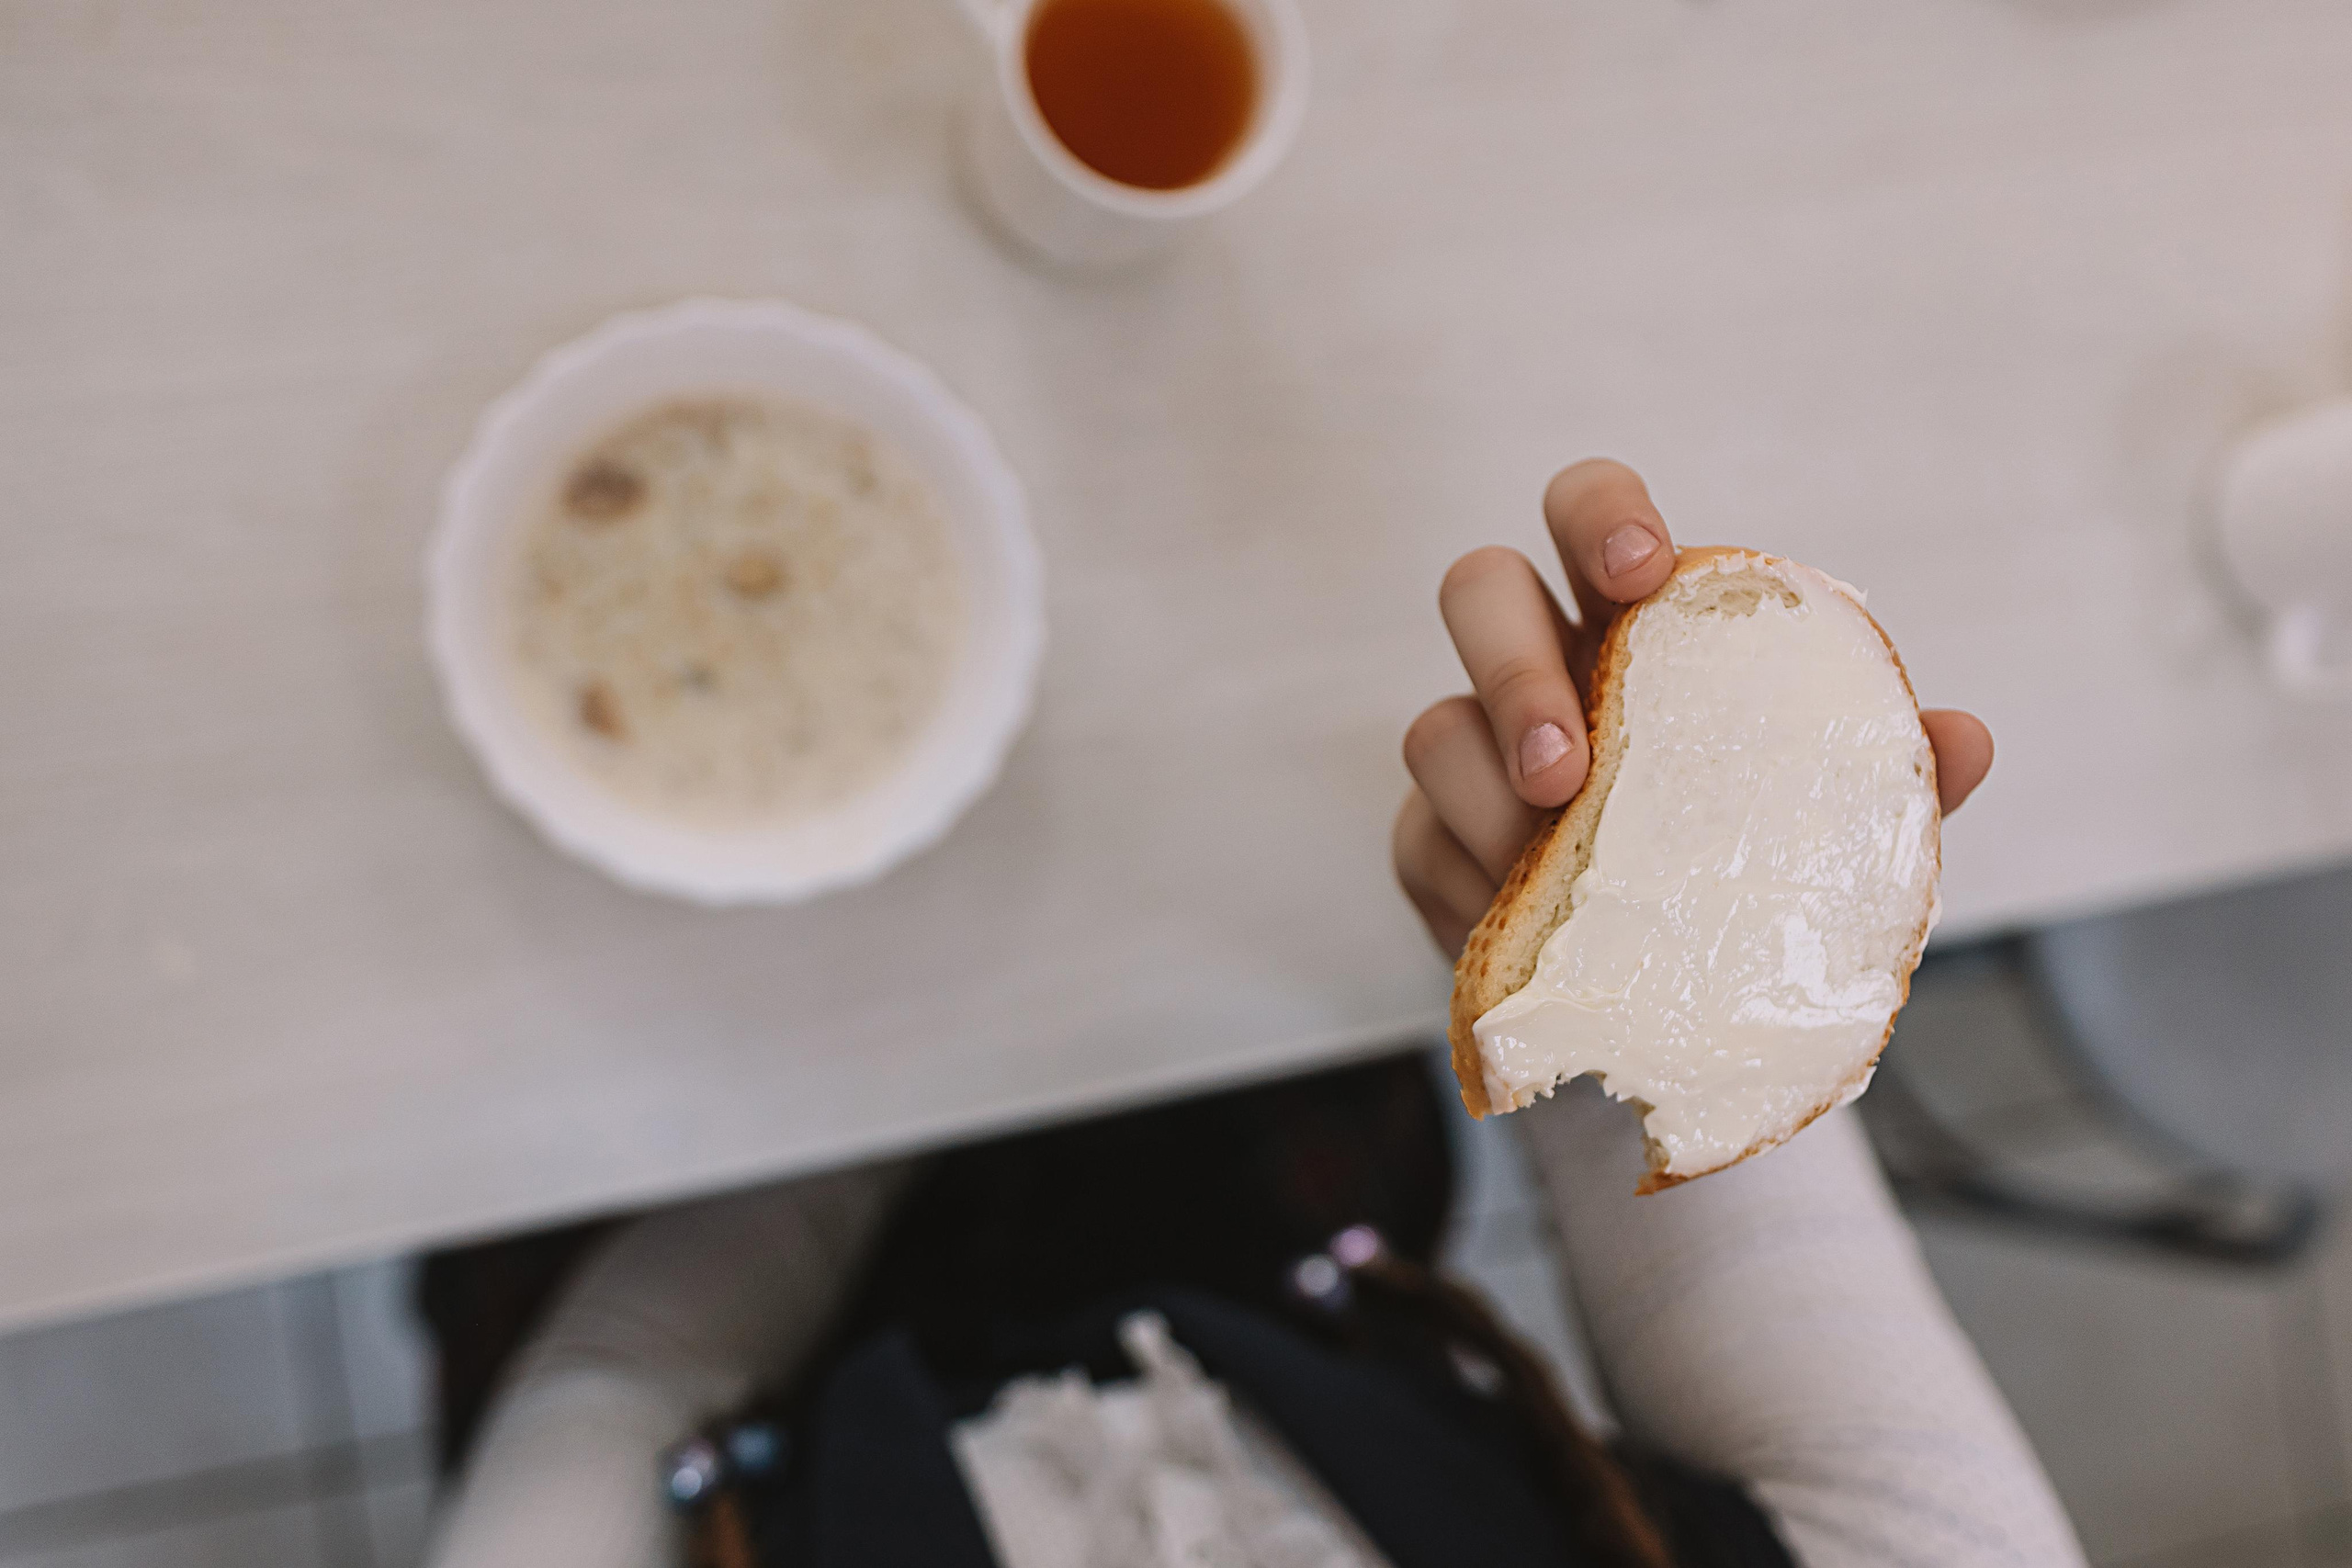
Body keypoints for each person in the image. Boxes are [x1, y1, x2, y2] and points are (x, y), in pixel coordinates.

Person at [421, 461, 2081, 1568]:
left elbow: (621, 1384)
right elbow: (1730, 1250)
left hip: (761, 1292)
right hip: (1286, 1259)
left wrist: (905, 1029)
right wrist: (1615, 968)